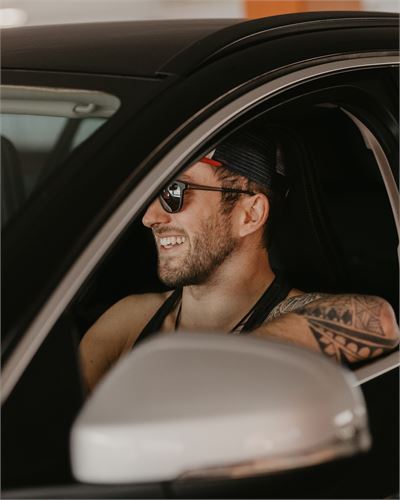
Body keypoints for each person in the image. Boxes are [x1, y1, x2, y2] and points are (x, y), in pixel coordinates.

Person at [80, 124, 399, 391]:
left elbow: (380, 320)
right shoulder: (130, 320)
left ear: (250, 214)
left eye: (174, 192)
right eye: (151, 194)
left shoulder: (286, 314)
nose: (149, 217)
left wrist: (228, 364)